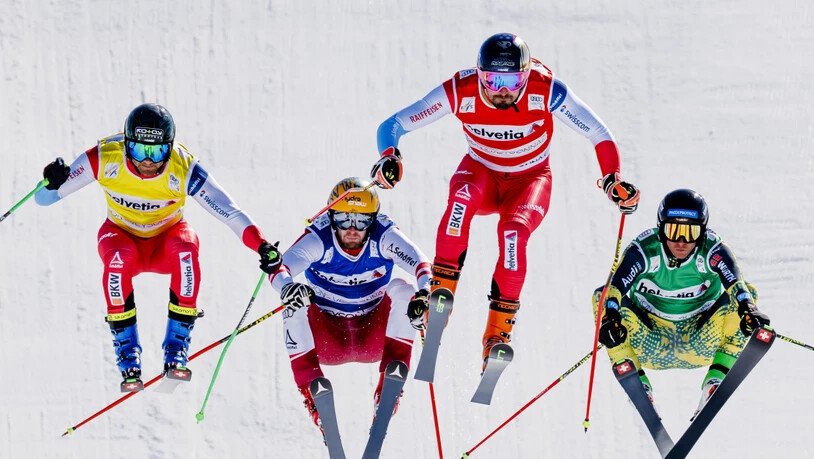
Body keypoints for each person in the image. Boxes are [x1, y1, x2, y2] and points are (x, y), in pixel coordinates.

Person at [371, 33, 640, 367]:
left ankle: (497, 335)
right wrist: (390, 156)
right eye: (492, 80)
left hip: (529, 181)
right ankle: (437, 300)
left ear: (526, 75)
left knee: (513, 233)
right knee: (460, 203)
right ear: (479, 74)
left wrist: (613, 179)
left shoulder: (546, 90)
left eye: (512, 81)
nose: (501, 90)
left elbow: (597, 132)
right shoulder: (461, 90)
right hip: (481, 175)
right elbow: (394, 124)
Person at [35, 103, 281, 391]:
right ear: (127, 144)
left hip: (167, 240)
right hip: (120, 236)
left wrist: (261, 245)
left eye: (158, 151)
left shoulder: (183, 167)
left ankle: (176, 348)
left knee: (186, 250)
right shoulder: (104, 157)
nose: (149, 161)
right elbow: (43, 200)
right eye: (140, 150)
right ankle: (128, 353)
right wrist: (51, 182)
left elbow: (229, 212)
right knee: (118, 260)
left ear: (170, 147)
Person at [268, 177, 431, 435]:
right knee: (292, 302)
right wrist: (288, 287)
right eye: (344, 220)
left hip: (374, 334)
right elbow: (279, 268)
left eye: (362, 221)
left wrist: (425, 296)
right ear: (331, 217)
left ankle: (388, 390)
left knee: (405, 289)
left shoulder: (384, 236)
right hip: (327, 338)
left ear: (373, 220)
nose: (352, 229)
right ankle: (313, 396)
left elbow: (422, 265)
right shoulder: (319, 239)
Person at [593, 189, 770, 417]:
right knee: (602, 296)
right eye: (673, 231)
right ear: (660, 229)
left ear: (702, 232)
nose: (681, 241)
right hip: (649, 342)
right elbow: (615, 288)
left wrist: (749, 309)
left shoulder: (713, 250)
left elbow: (738, 285)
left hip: (700, 341)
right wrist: (610, 317)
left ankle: (715, 381)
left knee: (747, 296)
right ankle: (638, 386)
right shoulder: (644, 250)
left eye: (690, 232)